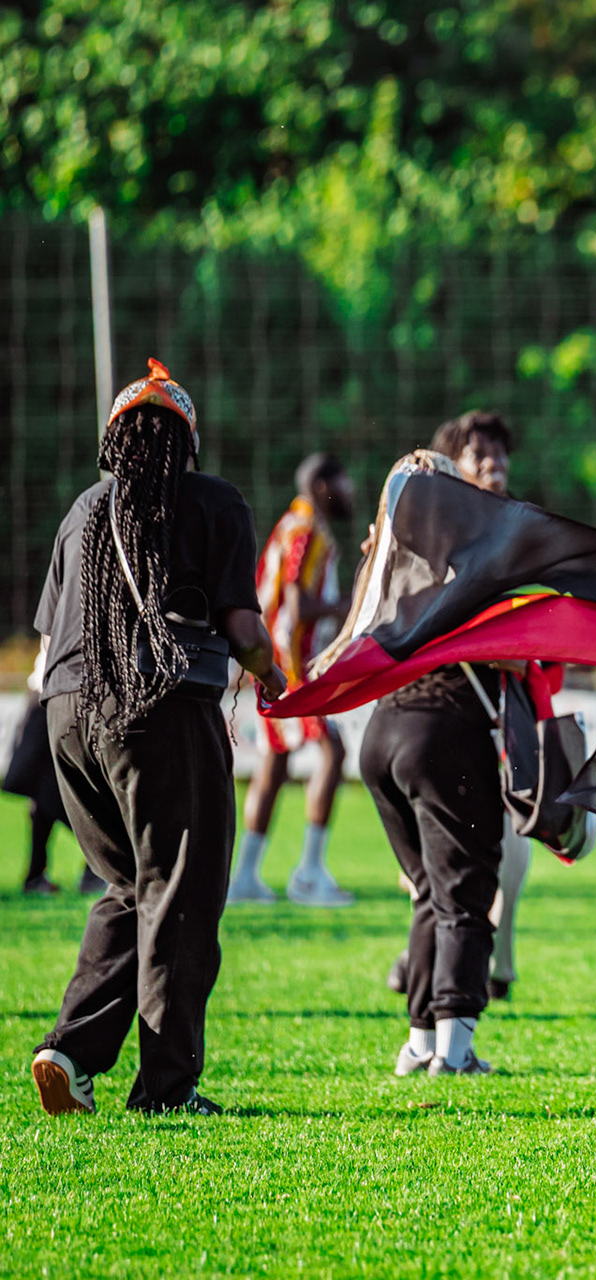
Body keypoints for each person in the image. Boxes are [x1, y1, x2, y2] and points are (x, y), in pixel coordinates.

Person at [29, 360, 286, 1116]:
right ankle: (167, 1090)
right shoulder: (212, 502)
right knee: (183, 890)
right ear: (188, 442)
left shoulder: (81, 511)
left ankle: (70, 1053)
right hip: (158, 709)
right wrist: (276, 678)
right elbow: (243, 629)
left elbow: (51, 639)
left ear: (115, 441)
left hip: (65, 713)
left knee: (130, 886)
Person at [363, 411, 516, 1077]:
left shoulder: (385, 559)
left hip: (383, 732)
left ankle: (420, 1040)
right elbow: (509, 652)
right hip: (445, 728)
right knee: (463, 889)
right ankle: (454, 1048)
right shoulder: (471, 556)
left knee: (429, 891)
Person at [229, 453, 356, 906]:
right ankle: (309, 873)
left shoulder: (298, 524)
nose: (351, 491)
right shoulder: (305, 529)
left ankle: (244, 876)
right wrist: (346, 606)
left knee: (275, 762)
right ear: (323, 483)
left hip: (278, 655)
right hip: (290, 659)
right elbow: (297, 607)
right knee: (332, 749)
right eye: (344, 480)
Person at [6, 640, 102, 896]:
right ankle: (99, 862)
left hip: (54, 693)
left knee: (46, 792)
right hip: (54, 694)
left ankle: (37, 876)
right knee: (48, 790)